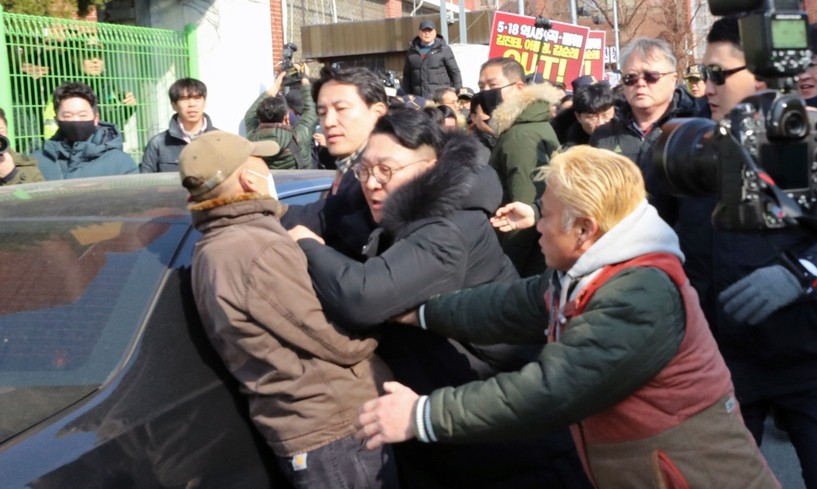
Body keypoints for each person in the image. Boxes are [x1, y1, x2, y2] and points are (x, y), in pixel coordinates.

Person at [356, 145, 781, 489]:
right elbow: (510, 305)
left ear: (584, 229)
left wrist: (422, 416)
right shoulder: (588, 272)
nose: (536, 225)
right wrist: (424, 312)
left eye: (545, 214)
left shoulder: (638, 294)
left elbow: (550, 391)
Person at [289, 109, 589, 489]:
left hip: (511, 447)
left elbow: (362, 298)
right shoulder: (403, 220)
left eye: (386, 170)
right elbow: (323, 212)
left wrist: (307, 246)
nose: (372, 183)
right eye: (364, 171)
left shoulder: (448, 227)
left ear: (431, 168)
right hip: (459, 437)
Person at [181, 130, 398, 489]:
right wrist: (381, 316)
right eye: (261, 163)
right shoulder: (255, 247)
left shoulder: (214, 246)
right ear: (250, 180)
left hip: (304, 425)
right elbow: (334, 340)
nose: (269, 170)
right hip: (333, 428)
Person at [676, 16, 817, 488]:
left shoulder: (808, 141)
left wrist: (801, 271)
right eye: (704, 73)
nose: (707, 86)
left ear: (761, 75)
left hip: (808, 362)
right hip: (723, 366)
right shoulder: (688, 149)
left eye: (720, 74)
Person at [278, 66, 388, 259]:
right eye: (322, 112)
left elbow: (322, 215)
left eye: (341, 109)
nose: (328, 122)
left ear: (377, 112)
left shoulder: (387, 176)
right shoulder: (346, 165)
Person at [590, 37, 698, 222]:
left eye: (651, 77)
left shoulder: (694, 128)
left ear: (673, 79)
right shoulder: (603, 136)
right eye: (630, 78)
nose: (640, 84)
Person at [480, 57, 561, 276]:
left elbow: (522, 208)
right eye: (482, 86)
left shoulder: (521, 135)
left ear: (518, 87)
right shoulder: (529, 126)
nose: (486, 92)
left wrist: (505, 272)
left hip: (523, 264)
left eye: (493, 85)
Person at [32, 82, 137, 180]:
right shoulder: (37, 162)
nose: (76, 120)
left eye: (82, 115)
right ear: (56, 120)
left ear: (96, 119)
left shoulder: (120, 162)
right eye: (68, 116)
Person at [244, 68, 319, 170]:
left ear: (260, 118)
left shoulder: (251, 139)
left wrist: (276, 85)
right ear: (286, 117)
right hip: (301, 184)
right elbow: (310, 110)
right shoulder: (300, 136)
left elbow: (250, 115)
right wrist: (305, 80)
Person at [140, 78, 217, 173]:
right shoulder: (158, 143)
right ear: (174, 105)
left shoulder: (221, 139)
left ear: (204, 103)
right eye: (184, 99)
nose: (192, 104)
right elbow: (147, 182)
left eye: (197, 99)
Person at [402, 20, 462, 98]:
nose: (427, 33)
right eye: (424, 31)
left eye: (429, 30)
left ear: (435, 32)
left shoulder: (444, 49)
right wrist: (408, 96)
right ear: (419, 33)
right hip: (419, 98)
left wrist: (458, 92)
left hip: (440, 97)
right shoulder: (412, 52)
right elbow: (407, 76)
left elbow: (455, 72)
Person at [0, 107, 44, 185]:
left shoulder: (27, 169)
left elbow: (38, 196)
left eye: (0, 130)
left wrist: (11, 176)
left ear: (6, 132)